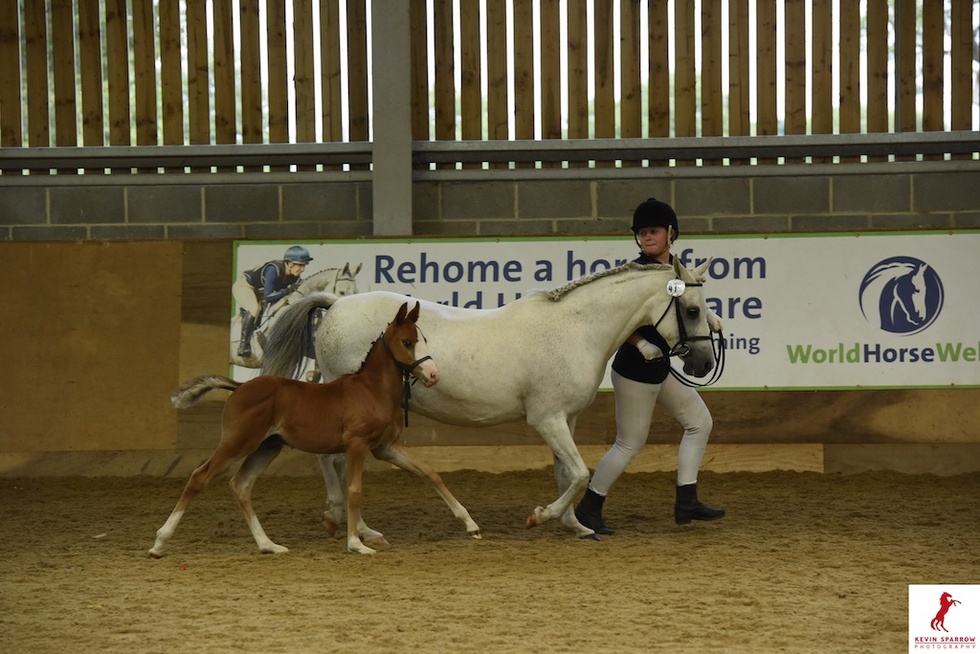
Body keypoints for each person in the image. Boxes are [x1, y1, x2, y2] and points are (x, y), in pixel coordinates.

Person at [575, 198, 725, 535]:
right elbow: (616, 320)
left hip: (661, 368)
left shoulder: (675, 271)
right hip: (635, 371)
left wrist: (708, 315)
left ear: (671, 233)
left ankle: (687, 499)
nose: (646, 237)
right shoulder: (635, 274)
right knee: (628, 444)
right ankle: (589, 508)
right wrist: (641, 343)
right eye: (642, 232)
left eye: (653, 231)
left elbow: (683, 305)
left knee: (700, 422)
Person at [231, 245, 313, 358]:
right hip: (245, 286)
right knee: (254, 308)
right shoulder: (273, 270)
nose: (302, 269)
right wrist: (286, 291)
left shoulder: (294, 276)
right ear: (289, 263)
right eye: (300, 265)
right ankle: (243, 345)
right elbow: (268, 297)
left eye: (304, 265)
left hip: (260, 291)